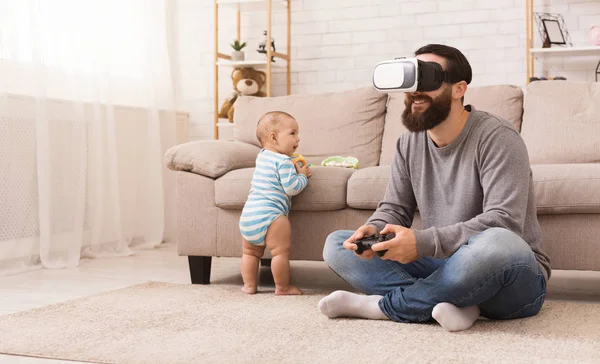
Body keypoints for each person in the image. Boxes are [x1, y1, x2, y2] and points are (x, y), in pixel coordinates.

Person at [318, 44, 551, 332]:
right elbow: (395, 208)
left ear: (459, 89)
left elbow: (504, 221)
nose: (415, 91)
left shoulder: (498, 137)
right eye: (411, 79)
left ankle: (384, 306)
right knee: (337, 245)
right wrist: (374, 230)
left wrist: (423, 242)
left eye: (427, 79)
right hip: (445, 266)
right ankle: (460, 303)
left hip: (510, 274)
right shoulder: (408, 143)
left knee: (497, 242)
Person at [239, 111, 311, 295]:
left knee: (250, 253)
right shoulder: (284, 160)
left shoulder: (262, 156)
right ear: (273, 137)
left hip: (249, 215)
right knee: (280, 253)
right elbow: (292, 187)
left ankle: (249, 286)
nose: (298, 138)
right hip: (272, 215)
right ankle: (283, 287)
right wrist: (302, 175)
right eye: (292, 133)